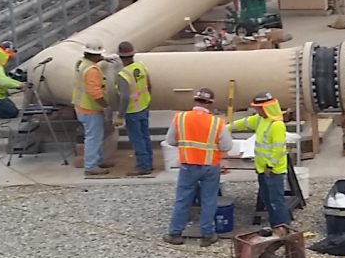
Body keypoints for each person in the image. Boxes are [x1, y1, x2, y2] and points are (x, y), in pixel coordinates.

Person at [167, 87, 229, 246]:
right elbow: (226, 145)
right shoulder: (217, 122)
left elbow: (171, 141)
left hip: (188, 165)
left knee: (183, 199)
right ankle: (207, 235)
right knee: (209, 200)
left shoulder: (180, 118)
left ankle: (175, 233)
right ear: (210, 104)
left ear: (195, 100)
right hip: (210, 166)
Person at [229, 92, 292, 230]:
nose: (256, 110)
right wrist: (224, 128)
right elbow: (243, 123)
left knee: (276, 200)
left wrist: (270, 166)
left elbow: (278, 149)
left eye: (258, 108)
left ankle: (283, 228)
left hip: (273, 170)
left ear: (266, 108)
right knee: (268, 200)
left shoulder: (277, 125)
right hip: (262, 169)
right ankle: (276, 226)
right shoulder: (259, 119)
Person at [74, 42, 119, 176]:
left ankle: (97, 161)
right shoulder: (92, 71)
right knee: (93, 137)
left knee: (96, 136)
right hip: (90, 108)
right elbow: (95, 92)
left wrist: (104, 59)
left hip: (81, 106)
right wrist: (105, 106)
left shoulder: (80, 63)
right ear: (94, 55)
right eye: (99, 55)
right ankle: (91, 166)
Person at [116, 41, 153, 177]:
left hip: (132, 111)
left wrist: (120, 114)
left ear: (120, 57)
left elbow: (125, 97)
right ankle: (148, 162)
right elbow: (149, 85)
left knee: (137, 139)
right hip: (144, 107)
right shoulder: (140, 67)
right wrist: (148, 101)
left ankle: (143, 166)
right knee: (145, 136)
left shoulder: (123, 74)